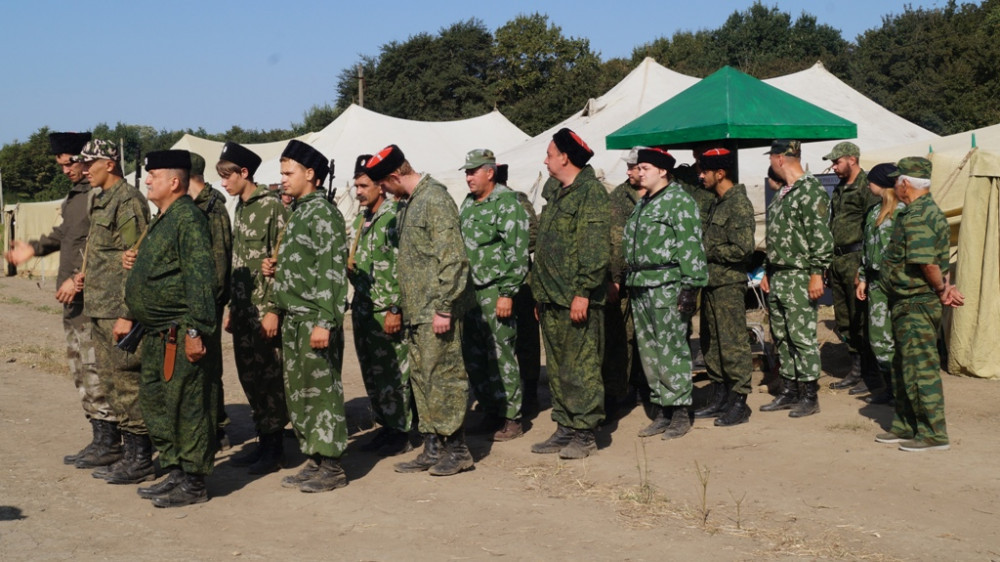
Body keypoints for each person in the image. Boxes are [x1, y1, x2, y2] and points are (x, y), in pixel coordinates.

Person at [4, 132, 120, 469]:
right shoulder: (77, 196)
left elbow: (102, 246)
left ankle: (111, 441)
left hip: (92, 296)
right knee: (81, 369)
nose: (66, 170)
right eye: (61, 165)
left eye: (70, 163)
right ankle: (100, 437)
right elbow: (66, 235)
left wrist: (79, 279)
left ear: (85, 160)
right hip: (74, 299)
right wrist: (33, 248)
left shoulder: (100, 196)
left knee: (97, 367)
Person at [364, 144, 475, 477]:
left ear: (396, 175)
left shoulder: (434, 200)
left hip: (434, 310)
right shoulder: (410, 204)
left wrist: (444, 308)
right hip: (417, 311)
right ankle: (432, 446)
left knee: (444, 378)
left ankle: (457, 449)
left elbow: (453, 258)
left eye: (384, 183)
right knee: (422, 379)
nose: (382, 190)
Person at [123, 149, 218, 507]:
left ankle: (193, 482)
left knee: (188, 407)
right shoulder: (164, 217)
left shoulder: (188, 219)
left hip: (181, 333)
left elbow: (200, 280)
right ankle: (176, 470)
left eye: (154, 175)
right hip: (157, 334)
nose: (147, 180)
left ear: (174, 182)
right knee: (159, 404)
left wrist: (196, 331)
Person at [270, 140, 350, 492]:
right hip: (295, 318)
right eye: (282, 173)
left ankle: (332, 466)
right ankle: (315, 458)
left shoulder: (323, 213)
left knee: (321, 392)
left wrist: (325, 321)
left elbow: (331, 271)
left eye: (289, 173)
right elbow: (306, 263)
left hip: (314, 319)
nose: (283, 179)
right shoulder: (300, 211)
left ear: (310, 174)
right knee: (300, 392)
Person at [73, 140, 153, 484]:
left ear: (109, 163)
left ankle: (140, 457)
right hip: (99, 305)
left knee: (128, 382)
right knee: (110, 381)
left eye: (90, 163)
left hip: (119, 309)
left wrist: (129, 311)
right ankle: (123, 450)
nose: (85, 169)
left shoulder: (128, 201)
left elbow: (137, 259)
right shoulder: (102, 199)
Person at [530, 128, 609, 459]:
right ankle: (564, 425)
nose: (546, 160)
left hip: (575, 297)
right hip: (551, 297)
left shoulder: (590, 193)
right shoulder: (559, 193)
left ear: (565, 157)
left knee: (582, 366)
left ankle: (585, 432)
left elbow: (594, 247)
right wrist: (540, 293)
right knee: (560, 367)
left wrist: (584, 292)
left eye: (549, 154)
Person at [876, 157, 963, 452]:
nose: (896, 185)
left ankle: (934, 432)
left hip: (916, 303)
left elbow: (927, 262)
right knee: (903, 366)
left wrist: (941, 289)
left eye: (897, 180)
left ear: (905, 184)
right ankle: (906, 424)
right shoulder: (917, 212)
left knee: (920, 367)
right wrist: (945, 286)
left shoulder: (918, 216)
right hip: (906, 301)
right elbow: (939, 259)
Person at [624, 147, 708, 439]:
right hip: (641, 285)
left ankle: (681, 409)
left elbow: (691, 246)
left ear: (662, 170)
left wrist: (690, 287)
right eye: (639, 167)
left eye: (645, 167)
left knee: (671, 349)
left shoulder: (678, 201)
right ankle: (662, 408)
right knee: (649, 351)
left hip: (667, 284)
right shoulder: (643, 202)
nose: (639, 171)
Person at [217, 141, 289, 474]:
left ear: (244, 173)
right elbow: (238, 261)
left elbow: (283, 260)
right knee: (249, 377)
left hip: (264, 310)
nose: (223, 183)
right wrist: (233, 305)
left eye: (227, 176)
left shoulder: (271, 206)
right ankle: (263, 439)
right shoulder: (241, 208)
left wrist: (274, 308)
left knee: (269, 377)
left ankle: (275, 448)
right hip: (245, 309)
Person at [458, 149, 531, 441]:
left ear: (490, 172)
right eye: (466, 172)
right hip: (470, 294)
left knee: (502, 353)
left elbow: (517, 251)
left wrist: (507, 292)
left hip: (495, 290)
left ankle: (512, 417)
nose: (468, 177)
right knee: (475, 356)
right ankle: (490, 409)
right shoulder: (468, 203)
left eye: (473, 171)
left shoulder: (507, 203)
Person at [759, 140, 834, 418]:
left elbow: (821, 237)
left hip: (800, 275)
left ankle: (809, 395)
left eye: (772, 158)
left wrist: (817, 274)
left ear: (780, 159)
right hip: (779, 275)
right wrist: (768, 270)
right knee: (782, 335)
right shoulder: (783, 193)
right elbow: (776, 236)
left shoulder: (810, 191)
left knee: (802, 337)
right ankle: (789, 391)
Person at [347, 154, 414, 457]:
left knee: (395, 374)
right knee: (373, 373)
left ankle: (402, 430)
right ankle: (386, 426)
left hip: (387, 310)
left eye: (363, 185)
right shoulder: (362, 219)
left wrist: (396, 308)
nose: (358, 191)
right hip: (363, 309)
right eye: (356, 185)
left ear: (380, 186)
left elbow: (405, 265)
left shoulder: (394, 216)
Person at [693, 148, 755, 427]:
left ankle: (739, 401)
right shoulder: (717, 202)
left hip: (728, 284)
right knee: (712, 343)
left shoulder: (738, 204)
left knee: (733, 343)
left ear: (720, 173)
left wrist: (709, 250)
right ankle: (719, 396)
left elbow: (743, 249)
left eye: (704, 171)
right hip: (711, 283)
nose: (700, 175)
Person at [823, 142, 881, 396]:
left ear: (852, 159)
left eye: (837, 162)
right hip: (838, 261)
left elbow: (873, 227)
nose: (833, 167)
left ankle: (871, 374)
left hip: (856, 259)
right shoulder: (839, 188)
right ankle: (856, 369)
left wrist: (864, 268)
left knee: (861, 320)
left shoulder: (867, 187)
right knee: (845, 320)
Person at [188, 153, 233, 449]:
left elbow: (218, 265)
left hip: (207, 304)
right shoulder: (194, 206)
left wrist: (208, 306)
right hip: (198, 301)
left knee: (209, 366)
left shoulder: (212, 208)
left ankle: (216, 428)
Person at [855, 163, 905, 405]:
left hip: (897, 283)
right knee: (878, 337)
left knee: (898, 337)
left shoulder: (903, 212)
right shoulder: (874, 212)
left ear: (881, 182)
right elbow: (866, 247)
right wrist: (863, 277)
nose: (867, 185)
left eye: (870, 181)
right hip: (875, 283)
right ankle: (890, 387)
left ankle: (902, 390)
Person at [602, 147, 647, 419]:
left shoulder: (666, 192)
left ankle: (649, 388)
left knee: (652, 336)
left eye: (634, 166)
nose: (629, 171)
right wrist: (615, 279)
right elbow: (614, 241)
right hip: (627, 279)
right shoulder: (619, 196)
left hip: (656, 279)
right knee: (623, 337)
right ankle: (620, 391)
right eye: (628, 167)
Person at [498, 164, 543, 416]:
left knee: (526, 338)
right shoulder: (480, 204)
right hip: (495, 283)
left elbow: (534, 236)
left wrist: (510, 251)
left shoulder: (518, 202)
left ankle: (531, 393)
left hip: (522, 281)